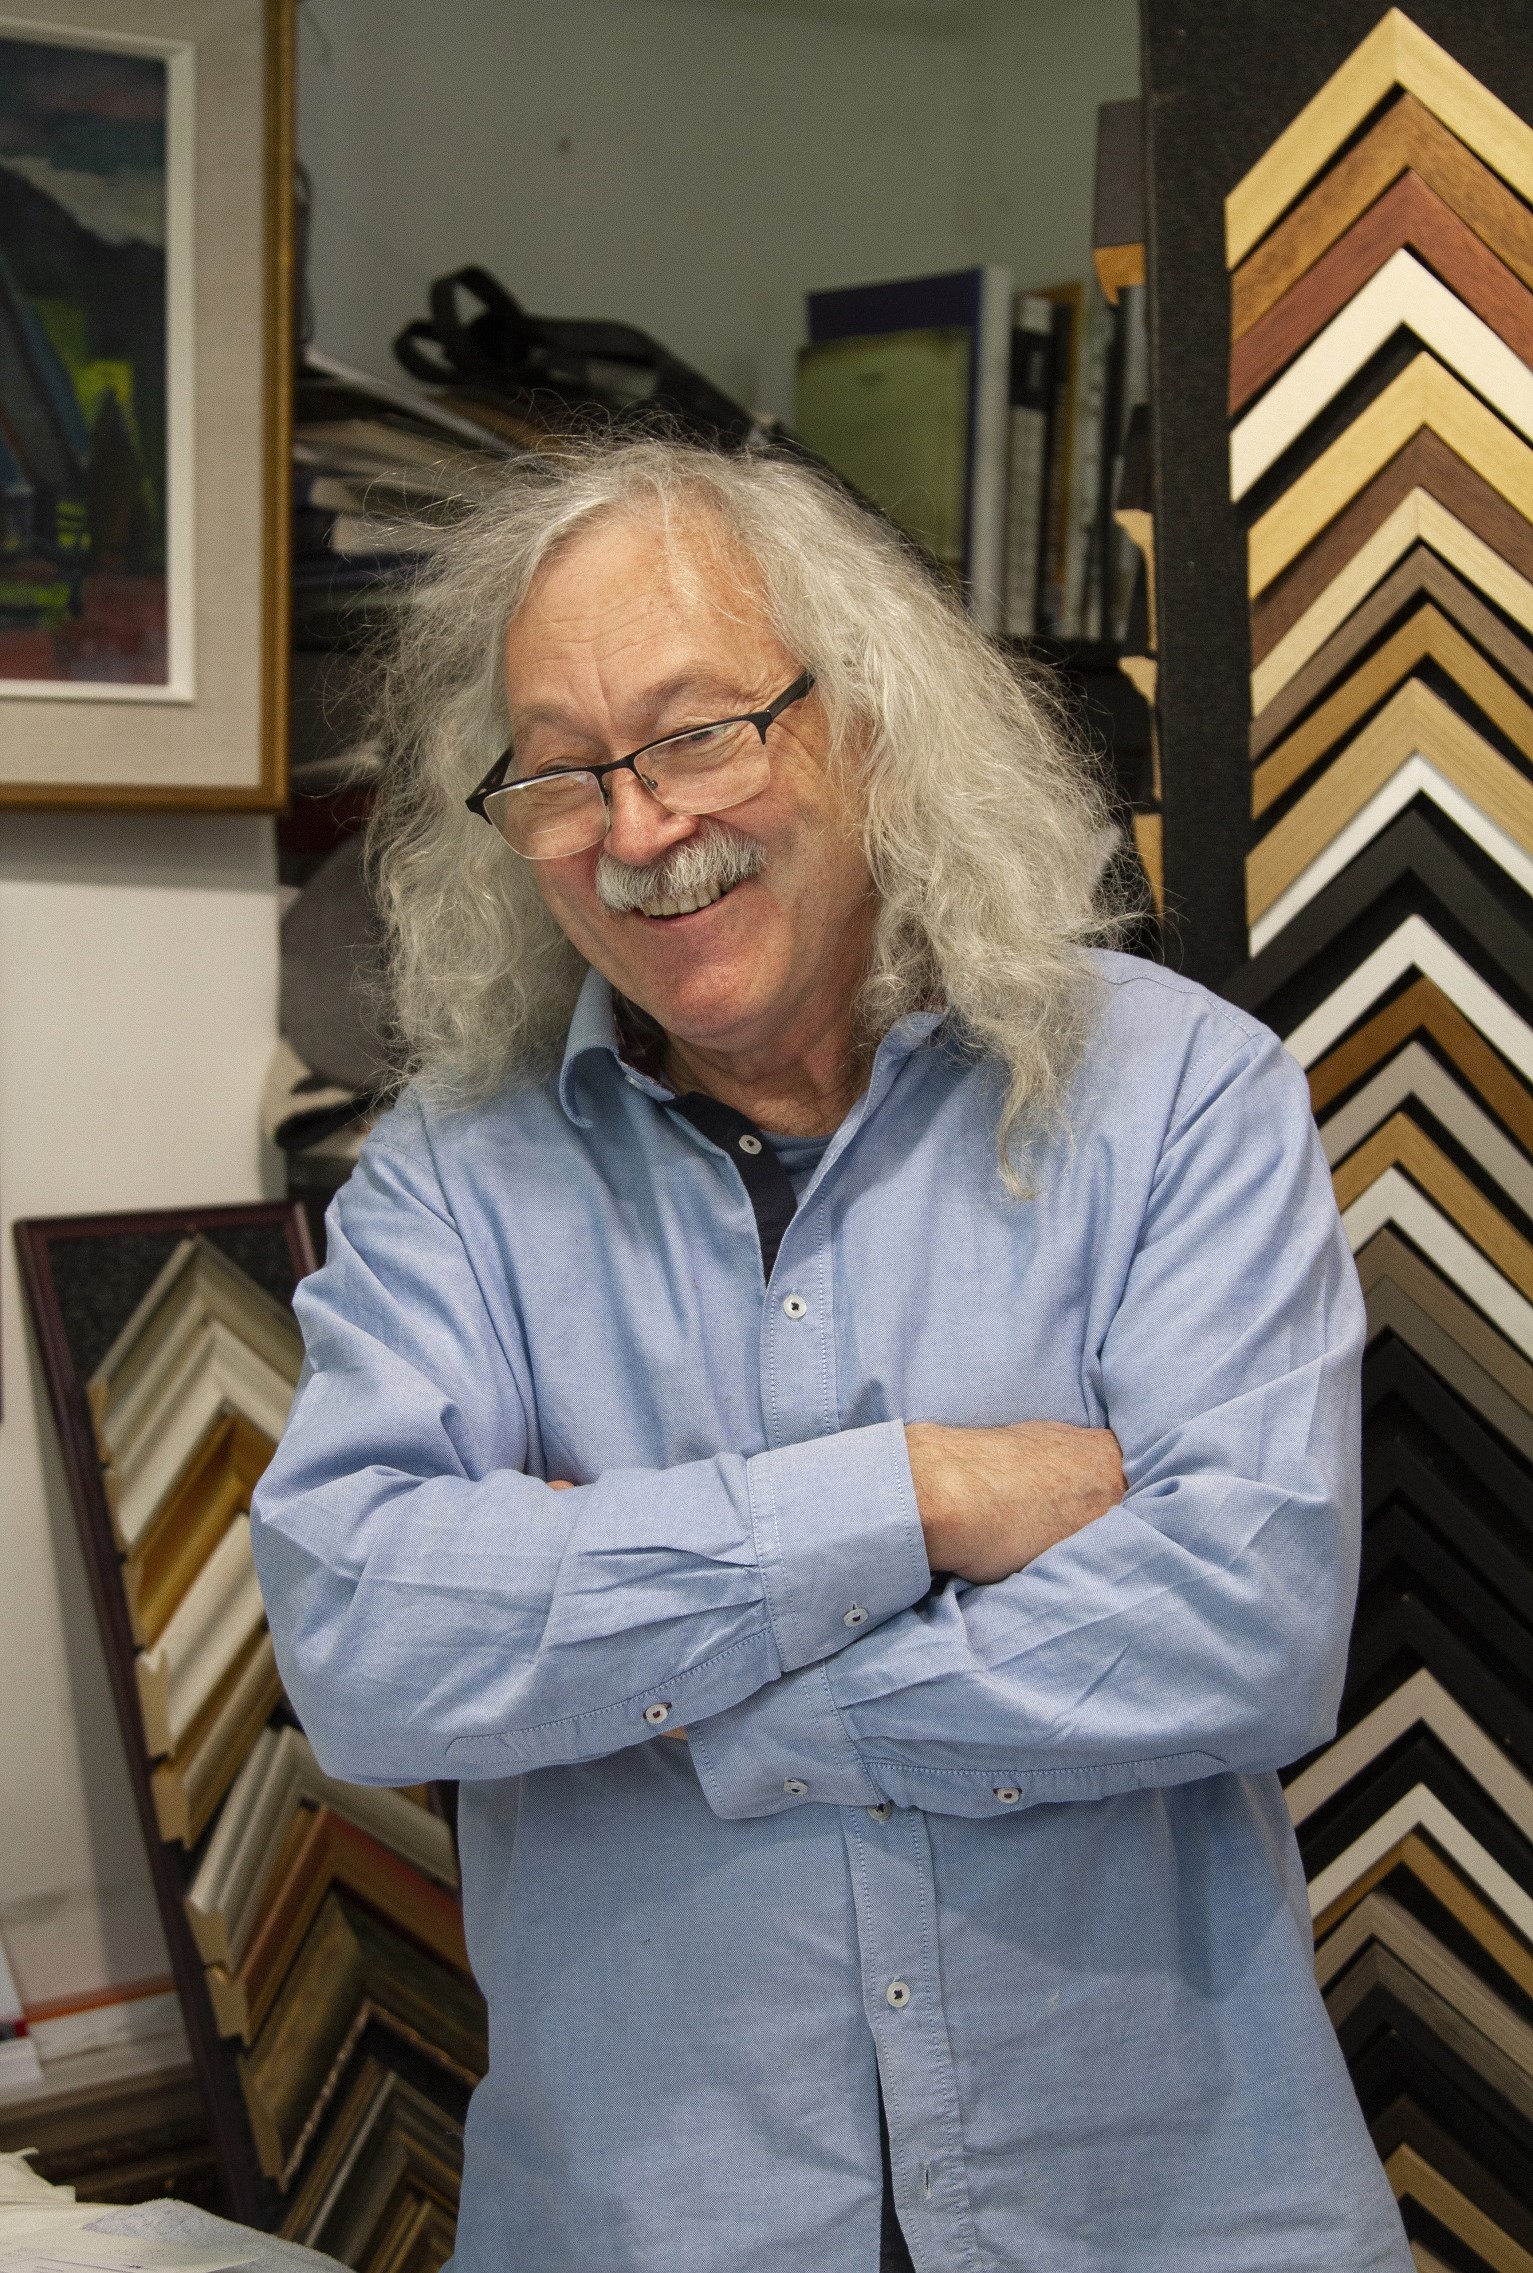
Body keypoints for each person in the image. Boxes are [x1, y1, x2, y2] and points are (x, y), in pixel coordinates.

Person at [251, 434, 1411, 2273]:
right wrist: (917, 1497)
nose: (637, 829)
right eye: (558, 771)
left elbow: (1241, 1618)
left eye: (698, 734)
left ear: (870, 721)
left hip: (1157, 2215)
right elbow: (366, 1639)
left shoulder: (1178, 1098)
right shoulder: (450, 1183)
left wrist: (663, 1676)